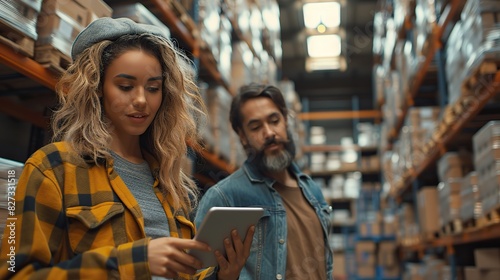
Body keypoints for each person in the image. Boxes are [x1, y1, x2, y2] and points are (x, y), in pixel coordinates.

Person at [0, 17, 254, 279]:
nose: (142, 100)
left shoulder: (169, 182)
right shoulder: (54, 169)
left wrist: (221, 275)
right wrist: (133, 261)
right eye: (125, 86)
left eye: (153, 88)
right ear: (97, 87)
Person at [194, 84, 333, 279]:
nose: (269, 133)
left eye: (274, 121)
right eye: (256, 127)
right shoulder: (225, 197)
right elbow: (195, 271)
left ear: (285, 121)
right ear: (242, 137)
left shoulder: (312, 191)